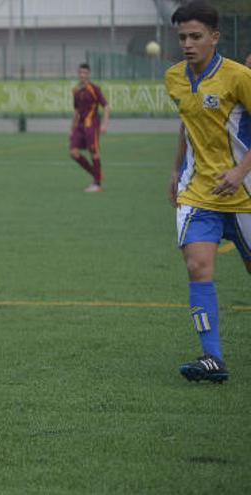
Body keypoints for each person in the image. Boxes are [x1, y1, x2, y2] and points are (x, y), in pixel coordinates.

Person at [166, 0, 251, 383]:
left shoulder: (238, 77)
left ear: (214, 37)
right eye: (182, 36)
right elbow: (188, 124)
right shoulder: (174, 78)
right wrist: (174, 169)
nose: (188, 43)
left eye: (196, 36)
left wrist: (240, 170)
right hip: (199, 193)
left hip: (245, 193)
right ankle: (212, 358)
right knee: (198, 267)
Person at [69, 63, 110, 193]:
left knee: (93, 151)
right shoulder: (75, 90)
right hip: (79, 126)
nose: (82, 75)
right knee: (73, 153)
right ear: (78, 74)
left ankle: (97, 184)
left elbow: (106, 107)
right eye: (80, 72)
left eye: (85, 73)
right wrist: (72, 128)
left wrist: (104, 124)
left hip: (91, 124)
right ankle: (95, 173)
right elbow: (76, 111)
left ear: (89, 74)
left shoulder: (94, 89)